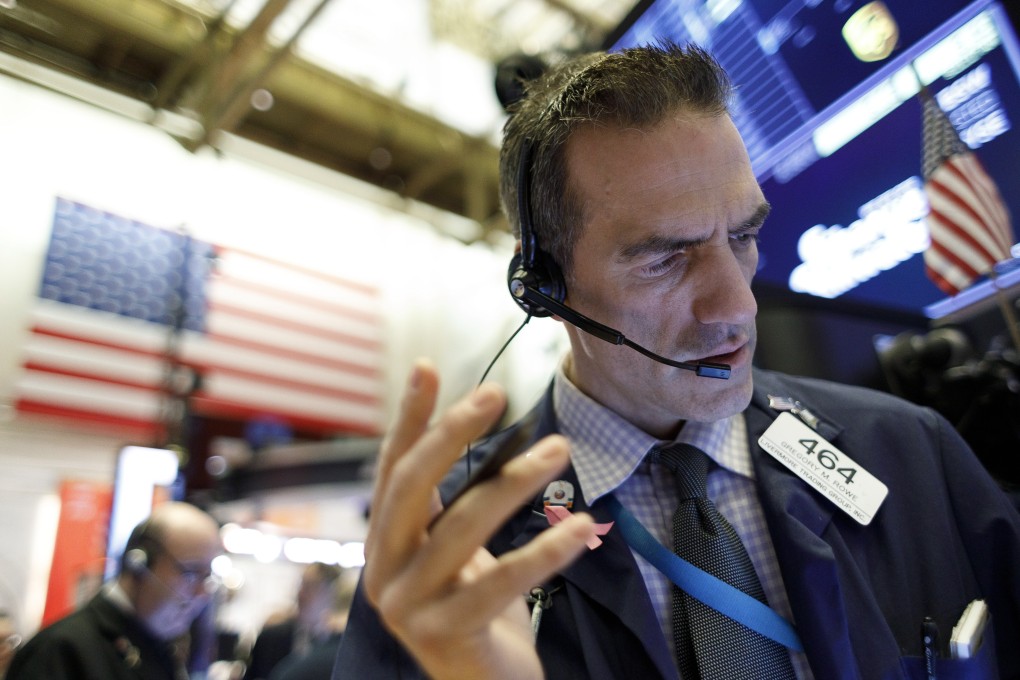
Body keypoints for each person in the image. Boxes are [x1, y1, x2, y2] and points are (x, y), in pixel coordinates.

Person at [333, 42, 1020, 680]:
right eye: (665, 259)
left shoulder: (908, 452)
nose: (736, 306)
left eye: (744, 235)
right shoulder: (447, 552)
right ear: (542, 286)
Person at [8, 502, 221, 680]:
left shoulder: (159, 650)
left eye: (207, 577)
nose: (202, 593)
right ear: (139, 564)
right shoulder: (62, 649)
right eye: (191, 573)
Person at [245, 563, 342, 680]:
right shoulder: (271, 638)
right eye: (301, 584)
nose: (301, 593)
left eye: (310, 586)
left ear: (330, 593)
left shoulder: (340, 647)